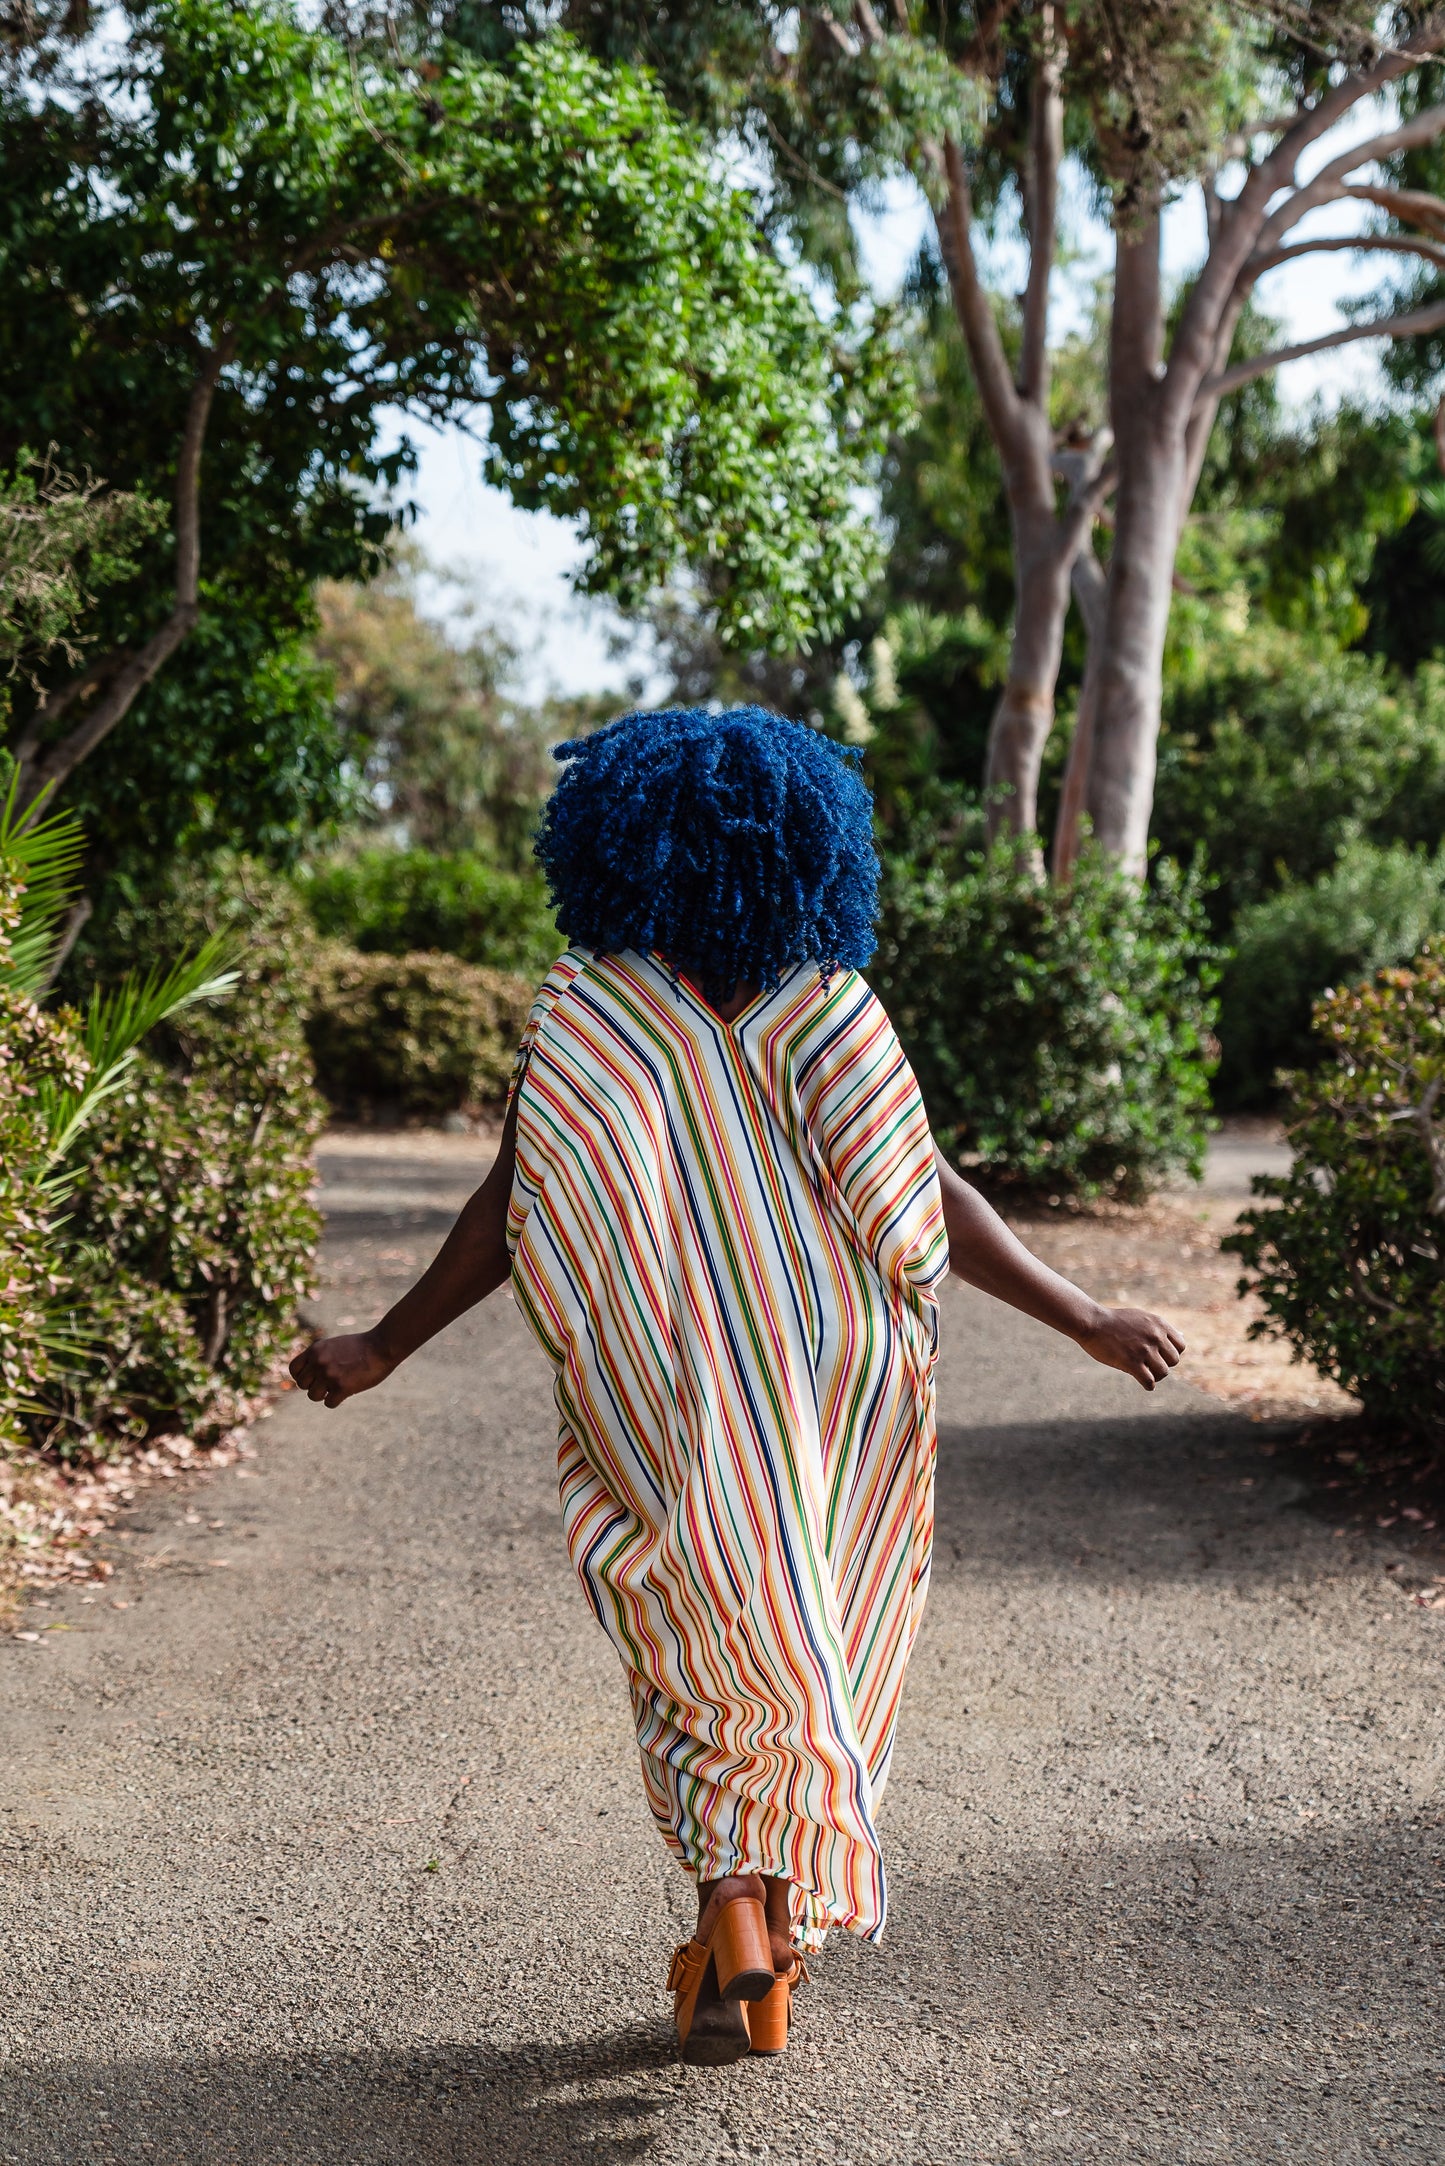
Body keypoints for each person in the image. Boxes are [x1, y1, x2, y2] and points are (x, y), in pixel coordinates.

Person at [290, 704, 1183, 2066]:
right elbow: (921, 1191)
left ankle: (738, 1913)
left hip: (662, 1374)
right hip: (830, 1379)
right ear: (809, 843)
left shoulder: (594, 1008)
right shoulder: (827, 999)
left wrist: (382, 1344)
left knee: (697, 1630)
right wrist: (1080, 1313)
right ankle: (768, 1914)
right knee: (814, 1620)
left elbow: (512, 1194)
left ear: (615, 842)